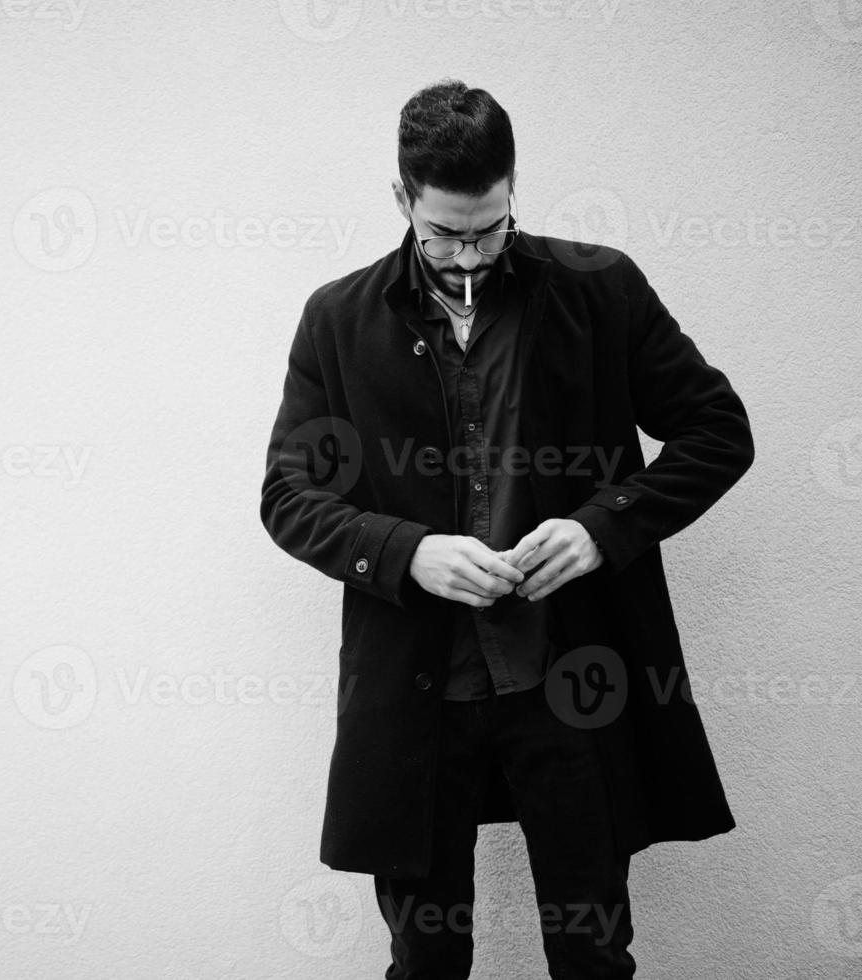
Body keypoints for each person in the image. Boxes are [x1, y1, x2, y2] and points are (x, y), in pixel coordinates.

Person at [259, 79, 754, 979]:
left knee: (593, 953)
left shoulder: (598, 289)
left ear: (512, 186)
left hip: (570, 682)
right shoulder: (336, 318)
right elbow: (290, 499)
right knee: (425, 958)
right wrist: (410, 552)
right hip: (418, 696)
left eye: (490, 226)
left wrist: (605, 525)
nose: (470, 255)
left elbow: (717, 432)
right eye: (446, 233)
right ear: (400, 198)